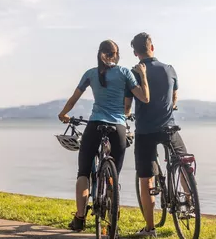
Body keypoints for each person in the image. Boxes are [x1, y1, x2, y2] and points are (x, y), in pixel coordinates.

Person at [57, 39, 150, 232]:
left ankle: (80, 218)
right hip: (118, 127)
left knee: (83, 172)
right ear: (116, 55)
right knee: (113, 174)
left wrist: (63, 114)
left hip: (95, 124)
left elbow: (74, 98)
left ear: (99, 53)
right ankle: (111, 205)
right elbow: (145, 98)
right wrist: (143, 75)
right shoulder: (125, 73)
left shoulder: (90, 74)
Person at [124, 32, 189, 237]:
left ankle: (150, 229)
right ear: (152, 48)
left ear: (135, 52)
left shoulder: (133, 73)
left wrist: (126, 114)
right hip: (168, 127)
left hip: (145, 131)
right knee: (183, 163)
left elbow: (127, 105)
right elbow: (175, 95)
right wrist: (172, 106)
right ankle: (189, 200)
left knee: (146, 179)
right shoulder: (169, 69)